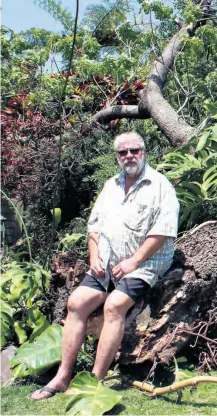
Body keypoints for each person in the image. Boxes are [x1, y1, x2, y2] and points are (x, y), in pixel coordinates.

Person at [30, 132, 179, 400]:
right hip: (107, 263)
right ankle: (63, 376)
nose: (129, 156)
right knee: (76, 302)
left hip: (145, 264)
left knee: (113, 306)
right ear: (117, 157)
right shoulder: (111, 185)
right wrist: (94, 255)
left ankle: (93, 381)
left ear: (144, 152)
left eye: (134, 150)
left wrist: (133, 261)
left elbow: (163, 231)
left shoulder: (160, 186)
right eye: (123, 153)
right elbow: (94, 226)